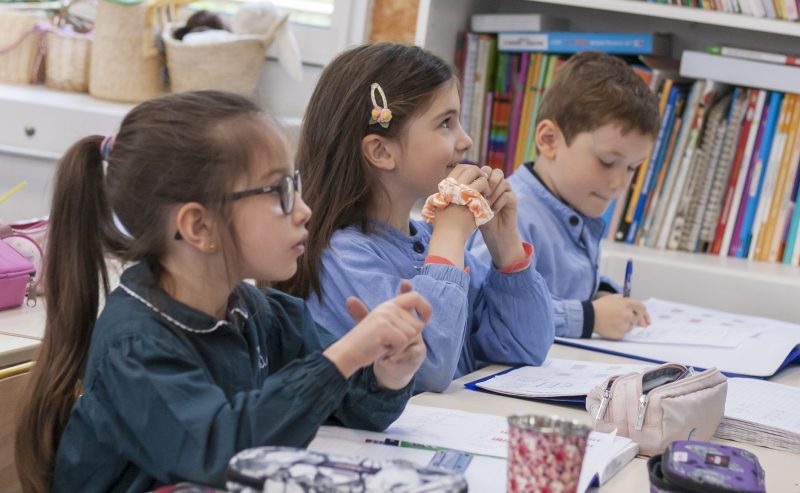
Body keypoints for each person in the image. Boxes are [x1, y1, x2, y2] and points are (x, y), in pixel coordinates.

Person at [15, 91, 431, 493]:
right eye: (280, 191)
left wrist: (388, 374)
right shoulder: (135, 346)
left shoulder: (261, 315)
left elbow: (352, 406)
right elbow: (221, 452)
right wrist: (348, 353)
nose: (304, 210)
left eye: (295, 184)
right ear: (199, 227)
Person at [278, 43, 554, 393]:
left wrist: (506, 246)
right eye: (445, 123)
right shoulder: (341, 258)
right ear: (381, 151)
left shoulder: (427, 240)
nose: (466, 140)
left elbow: (526, 347)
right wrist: (450, 237)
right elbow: (428, 369)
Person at [470, 51, 657, 340]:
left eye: (632, 168)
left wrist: (601, 293)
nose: (620, 184)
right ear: (549, 140)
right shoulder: (508, 214)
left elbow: (561, 285)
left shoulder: (573, 204)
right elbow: (487, 308)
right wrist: (589, 317)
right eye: (607, 161)